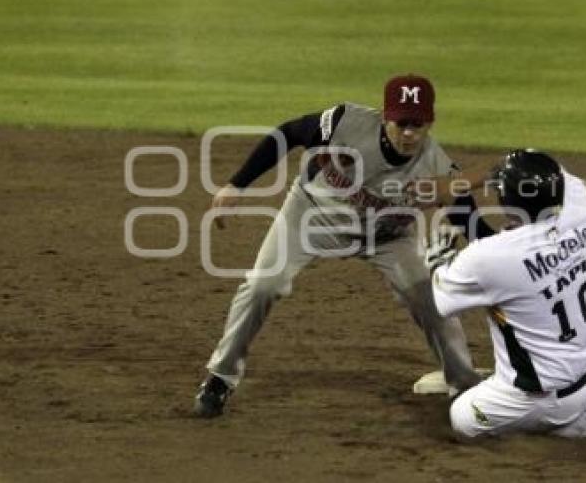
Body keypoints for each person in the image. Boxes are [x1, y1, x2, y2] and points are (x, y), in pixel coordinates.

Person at [194, 74, 483, 417]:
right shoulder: (345, 123)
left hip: (387, 237)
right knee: (262, 285)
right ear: (384, 116)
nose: (409, 133)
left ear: (429, 123)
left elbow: (469, 218)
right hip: (311, 215)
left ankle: (464, 385)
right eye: (401, 123)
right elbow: (289, 133)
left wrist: (505, 249)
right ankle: (220, 378)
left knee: (430, 299)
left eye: (417, 125)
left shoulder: (437, 167)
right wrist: (236, 185)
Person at [424, 149, 586, 438]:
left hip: (547, 398)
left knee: (464, 416)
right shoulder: (579, 208)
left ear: (508, 203)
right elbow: (550, 166)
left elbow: (441, 300)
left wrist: (437, 259)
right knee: (513, 296)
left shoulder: (488, 258)